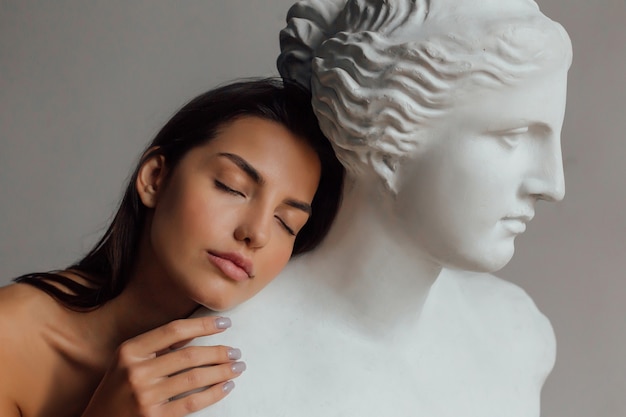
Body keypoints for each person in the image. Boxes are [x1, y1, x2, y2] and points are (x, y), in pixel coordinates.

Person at [187, 1, 573, 416]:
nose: (553, 185)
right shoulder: (215, 374)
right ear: (383, 137)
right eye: (512, 136)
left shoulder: (518, 336)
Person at [0, 78, 344, 417]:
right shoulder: (11, 336)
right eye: (232, 187)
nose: (256, 233)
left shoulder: (272, 371)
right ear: (155, 178)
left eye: (286, 222)